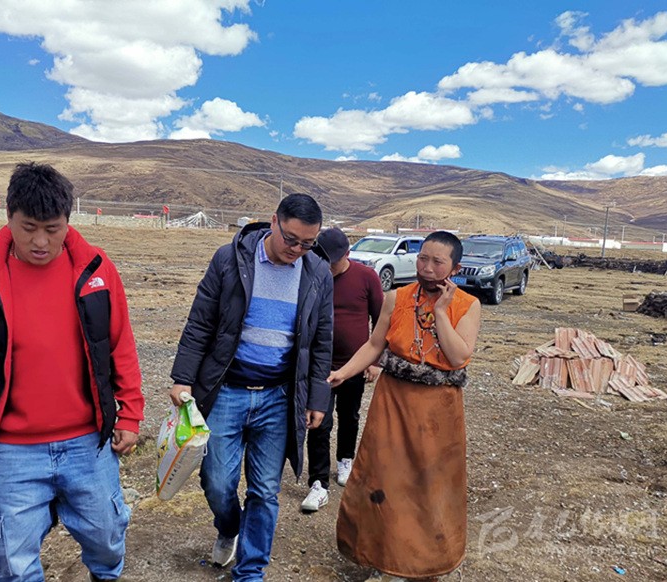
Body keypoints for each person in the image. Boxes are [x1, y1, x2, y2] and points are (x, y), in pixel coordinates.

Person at [0, 162, 144, 582]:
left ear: (68, 221)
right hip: (12, 451)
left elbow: (120, 345)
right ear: (8, 216)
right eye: (28, 228)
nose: (41, 241)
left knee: (107, 538)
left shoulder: (97, 270)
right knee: (13, 562)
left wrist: (130, 414)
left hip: (88, 442)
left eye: (53, 228)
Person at [169, 193, 333, 581]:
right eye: (290, 239)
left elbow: (321, 340)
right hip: (226, 391)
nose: (297, 250)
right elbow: (200, 323)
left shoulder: (318, 272)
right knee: (217, 482)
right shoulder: (230, 259)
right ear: (273, 221)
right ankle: (229, 527)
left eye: (307, 243)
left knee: (264, 489)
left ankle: (251, 570)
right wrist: (182, 378)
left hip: (278, 396)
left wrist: (317, 397)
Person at [328, 231, 481, 581]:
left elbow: (458, 356)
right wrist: (343, 372)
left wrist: (440, 312)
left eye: (437, 262)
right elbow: (374, 345)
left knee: (428, 486)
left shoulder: (467, 305)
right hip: (393, 402)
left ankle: (420, 562)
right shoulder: (396, 297)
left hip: (438, 410)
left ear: (455, 268)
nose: (426, 267)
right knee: (384, 479)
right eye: (422, 258)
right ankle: (382, 557)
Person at [301, 227, 384, 512]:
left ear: (347, 254)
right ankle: (318, 483)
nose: (328, 266)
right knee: (318, 422)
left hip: (353, 365)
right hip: (320, 367)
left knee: (349, 415)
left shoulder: (366, 277)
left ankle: (345, 459)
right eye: (323, 259)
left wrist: (375, 361)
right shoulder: (313, 275)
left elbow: (380, 320)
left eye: (333, 261)